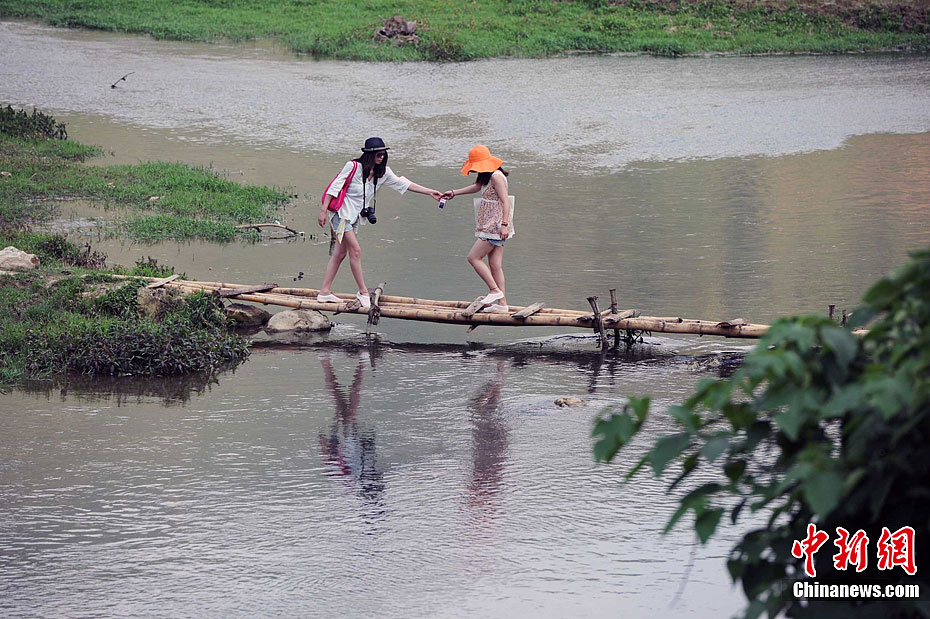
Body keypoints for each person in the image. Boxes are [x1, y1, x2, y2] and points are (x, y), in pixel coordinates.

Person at [317, 137, 442, 307]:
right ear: (369, 154)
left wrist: (430, 192)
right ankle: (362, 292)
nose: (381, 157)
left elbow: (404, 184)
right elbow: (334, 188)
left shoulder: (382, 173)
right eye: (378, 154)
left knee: (340, 254)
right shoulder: (353, 167)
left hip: (354, 217)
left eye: (383, 154)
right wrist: (323, 211)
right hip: (341, 214)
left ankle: (324, 292)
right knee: (356, 250)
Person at [442, 145, 513, 313]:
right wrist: (453, 193)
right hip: (492, 224)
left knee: (473, 257)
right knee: (495, 265)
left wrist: (504, 225)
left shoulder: (496, 177)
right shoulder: (487, 175)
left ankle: (494, 291)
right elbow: (476, 187)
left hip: (495, 225)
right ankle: (502, 304)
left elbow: (506, 201)